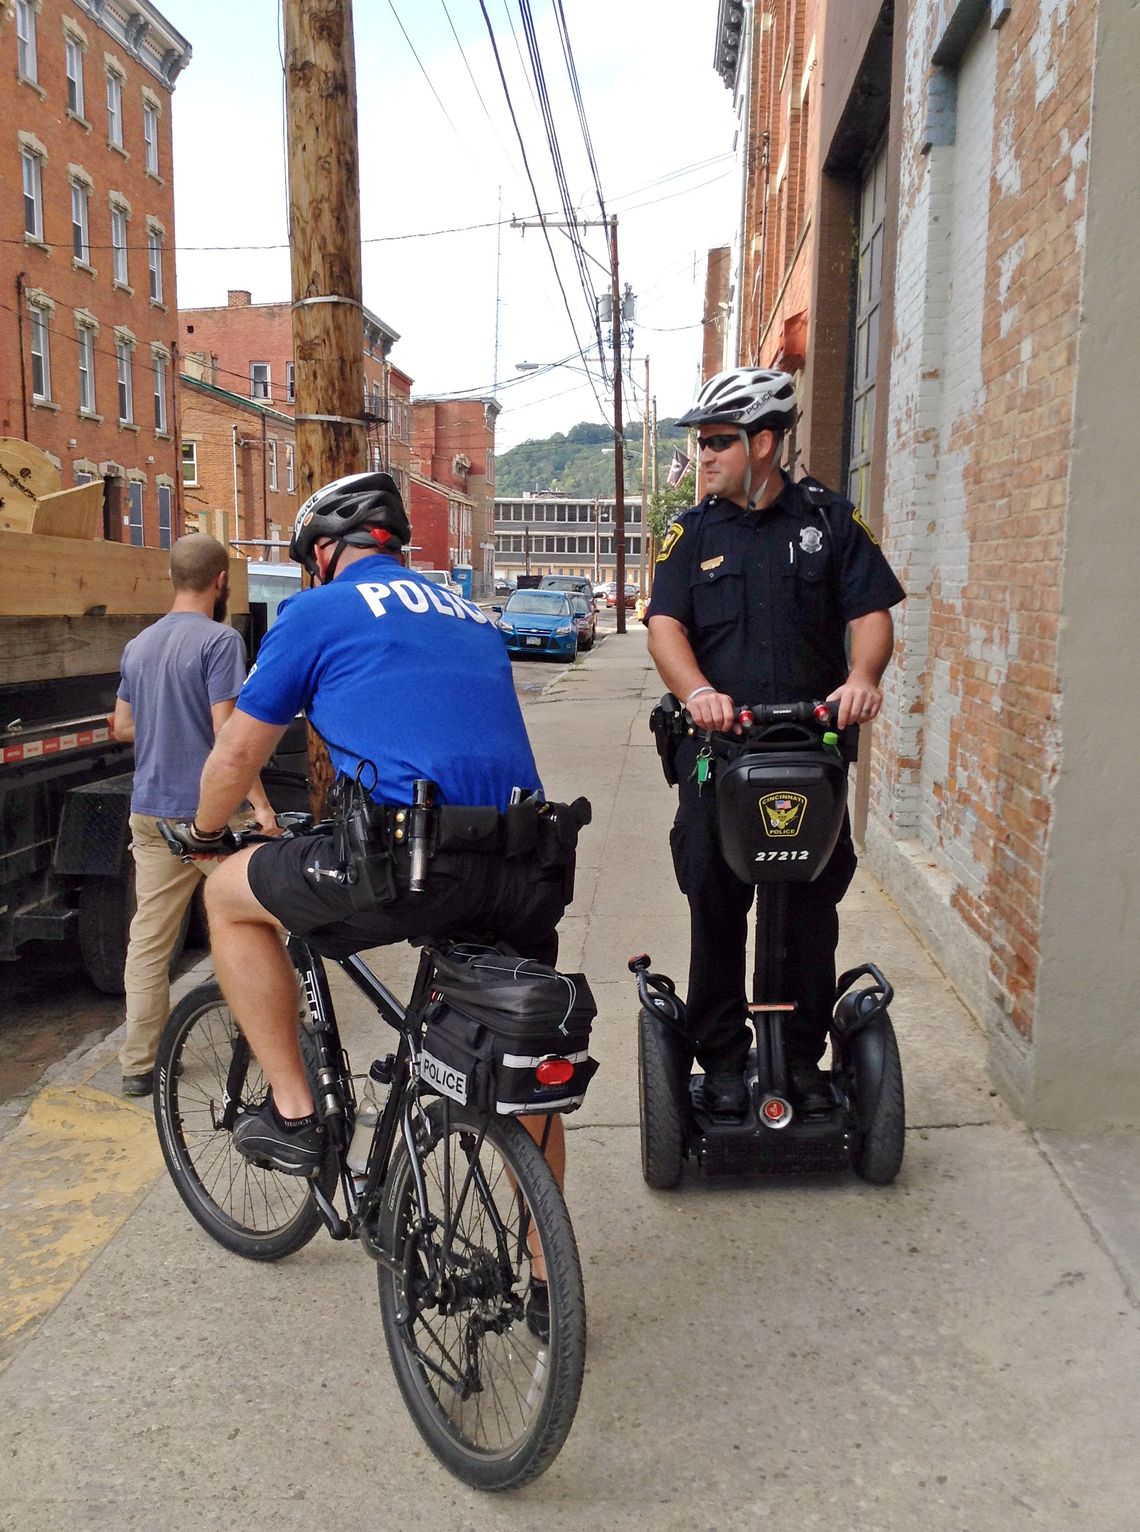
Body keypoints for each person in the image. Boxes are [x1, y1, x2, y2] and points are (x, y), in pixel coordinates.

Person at [178, 472, 584, 1220]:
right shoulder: (472, 614)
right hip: (528, 861)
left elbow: (237, 755)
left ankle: (296, 1116)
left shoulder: (319, 610)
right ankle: (541, 1279)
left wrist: (204, 835)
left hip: (414, 863)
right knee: (521, 1058)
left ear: (327, 550)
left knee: (226, 897)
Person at [645, 367, 906, 1117]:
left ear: (764, 442)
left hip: (808, 755)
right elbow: (665, 626)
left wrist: (862, 675)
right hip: (719, 756)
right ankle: (725, 1060)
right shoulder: (692, 536)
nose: (705, 455)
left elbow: (873, 612)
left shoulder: (828, 523)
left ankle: (798, 1057)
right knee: (716, 906)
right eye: (701, 442)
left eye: (719, 441)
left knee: (808, 913)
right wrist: (697, 692)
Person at [113, 533, 277, 1097]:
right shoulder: (220, 641)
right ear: (220, 580)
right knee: (255, 923)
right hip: (210, 822)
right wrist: (260, 807)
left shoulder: (138, 645)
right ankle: (263, 1037)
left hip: (150, 814)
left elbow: (122, 727)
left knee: (150, 940)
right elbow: (229, 736)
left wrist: (164, 722)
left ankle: (139, 1064)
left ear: (172, 578)